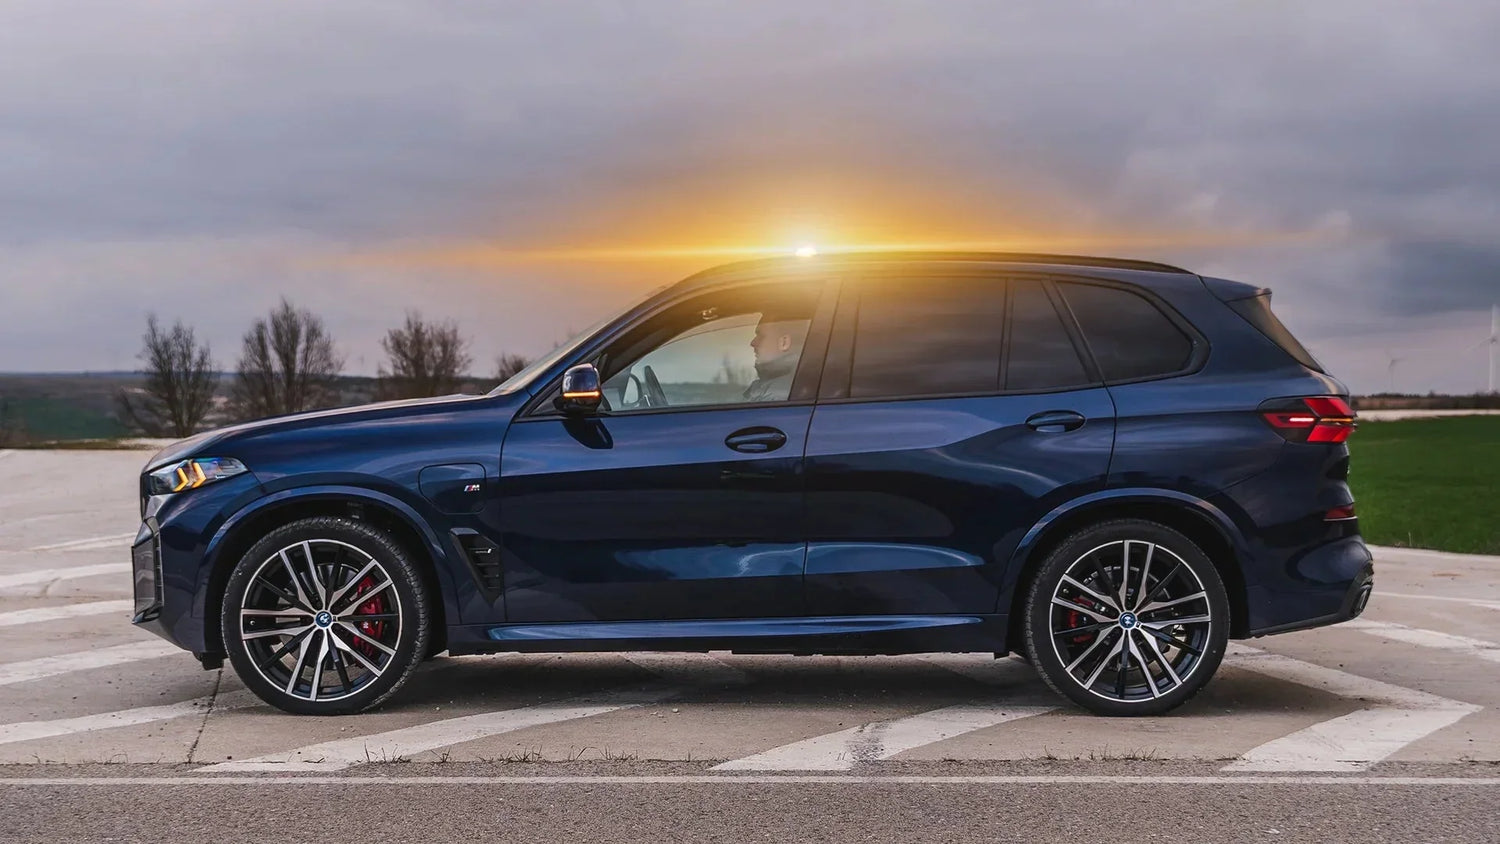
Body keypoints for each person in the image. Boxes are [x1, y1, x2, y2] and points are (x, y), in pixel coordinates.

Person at [742, 311, 809, 402]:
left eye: (761, 336)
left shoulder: (776, 396)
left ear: (784, 342)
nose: (752, 343)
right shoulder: (791, 386)